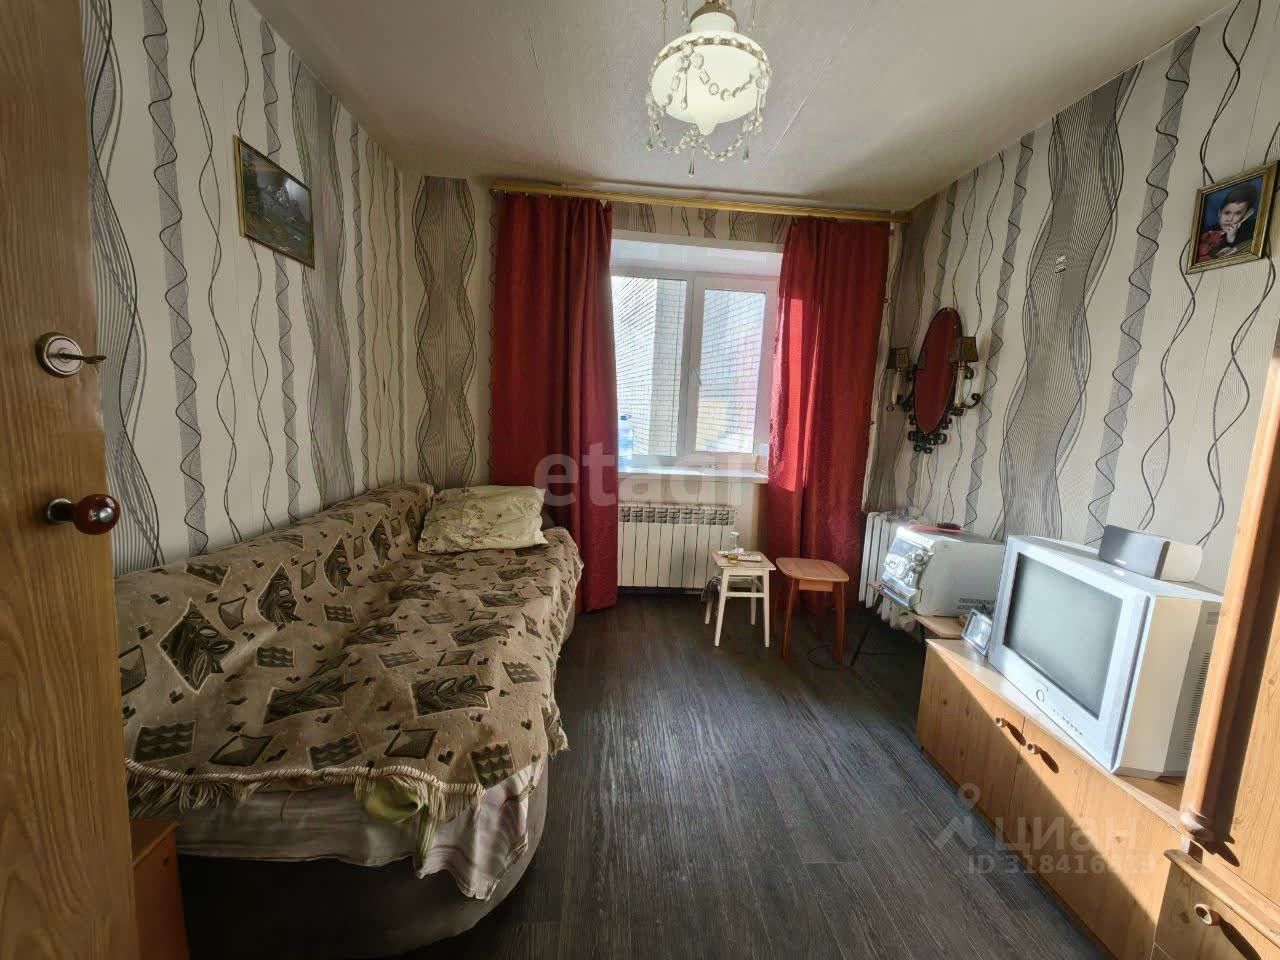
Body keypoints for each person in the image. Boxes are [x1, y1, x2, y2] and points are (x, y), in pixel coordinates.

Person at [1198, 182, 1259, 261]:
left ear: (1245, 215)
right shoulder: (1209, 231)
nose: (1230, 219)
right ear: (1219, 213)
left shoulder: (1247, 230)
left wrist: (1230, 238)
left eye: (1237, 213)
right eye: (1227, 213)